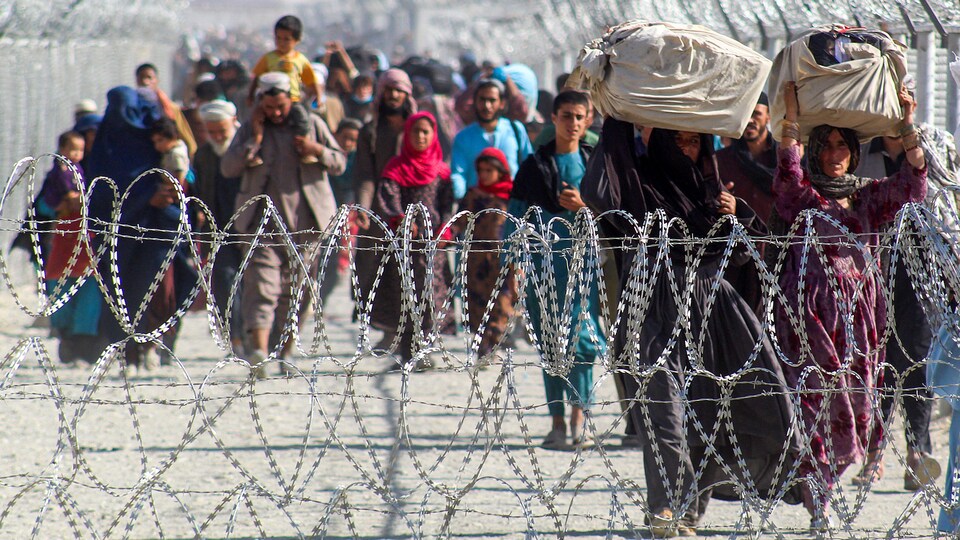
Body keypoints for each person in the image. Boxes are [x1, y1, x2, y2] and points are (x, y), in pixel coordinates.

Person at [581, 120, 799, 537]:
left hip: (713, 310)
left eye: (694, 140)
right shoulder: (640, 188)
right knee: (663, 411)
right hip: (653, 306)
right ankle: (664, 507)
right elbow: (601, 189)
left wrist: (739, 215)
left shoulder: (713, 195)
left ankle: (690, 511)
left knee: (712, 412)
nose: (685, 148)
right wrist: (617, 118)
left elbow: (747, 254)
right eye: (676, 139)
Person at [774, 81, 927, 531]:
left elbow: (915, 183)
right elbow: (786, 175)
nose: (837, 153)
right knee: (816, 403)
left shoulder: (867, 197)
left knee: (858, 408)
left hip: (861, 317)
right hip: (811, 317)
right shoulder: (804, 198)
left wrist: (906, 124)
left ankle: (823, 483)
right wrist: (792, 117)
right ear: (816, 149)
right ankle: (818, 496)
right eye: (829, 145)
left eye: (844, 144)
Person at [222, 73, 346, 378]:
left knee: (298, 291)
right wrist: (256, 140)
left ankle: (285, 351)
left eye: (281, 106)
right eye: (270, 107)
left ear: (292, 100)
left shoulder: (312, 125)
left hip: (306, 225)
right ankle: (259, 353)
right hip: (262, 224)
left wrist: (315, 151)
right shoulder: (252, 129)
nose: (276, 113)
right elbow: (229, 167)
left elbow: (339, 161)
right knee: (262, 287)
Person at [503, 90, 604, 450]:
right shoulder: (534, 166)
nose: (573, 123)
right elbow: (515, 216)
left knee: (582, 343)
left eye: (579, 117)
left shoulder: (595, 164)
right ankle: (557, 422)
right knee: (549, 344)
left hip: (583, 268)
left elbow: (612, 216)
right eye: (566, 116)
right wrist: (511, 263)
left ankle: (581, 417)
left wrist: (584, 206)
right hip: (542, 268)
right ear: (554, 118)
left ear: (589, 119)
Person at [87, 86, 199, 377]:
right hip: (116, 232)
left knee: (154, 289)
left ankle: (151, 344)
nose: (126, 120)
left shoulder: (156, 141)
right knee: (118, 290)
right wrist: (143, 196)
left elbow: (174, 179)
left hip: (157, 229)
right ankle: (123, 350)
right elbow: (101, 189)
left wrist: (161, 195)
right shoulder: (106, 145)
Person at [852, 132, 942, 490]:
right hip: (872, 269)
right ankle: (875, 453)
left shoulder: (927, 151)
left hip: (919, 271)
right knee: (880, 361)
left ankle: (917, 451)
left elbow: (939, 202)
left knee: (917, 360)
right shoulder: (861, 154)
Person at [354, 111, 455, 369]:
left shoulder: (441, 171)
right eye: (415, 132)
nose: (420, 137)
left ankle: (425, 348)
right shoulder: (396, 168)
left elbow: (446, 204)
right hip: (404, 247)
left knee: (430, 295)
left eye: (425, 132)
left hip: (432, 247)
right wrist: (401, 221)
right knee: (406, 295)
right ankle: (408, 351)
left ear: (433, 136)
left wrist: (444, 229)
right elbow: (389, 198)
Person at [449, 148, 516, 361]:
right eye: (481, 170)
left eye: (490, 170)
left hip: (503, 259)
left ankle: (494, 341)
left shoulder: (510, 197)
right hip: (476, 258)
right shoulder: (473, 196)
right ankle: (482, 346)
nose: (485, 174)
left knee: (502, 302)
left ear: (500, 171)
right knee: (478, 303)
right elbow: (459, 222)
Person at [41, 131, 103, 364]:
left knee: (88, 287)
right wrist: (65, 204)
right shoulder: (60, 173)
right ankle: (66, 336)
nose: (77, 154)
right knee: (59, 283)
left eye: (80, 150)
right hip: (63, 237)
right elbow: (48, 204)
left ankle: (84, 341)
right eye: (73, 149)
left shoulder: (82, 171)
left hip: (84, 238)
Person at [715, 92, 777, 312]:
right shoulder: (721, 161)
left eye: (757, 114)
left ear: (768, 117)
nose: (751, 119)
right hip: (736, 259)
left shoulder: (782, 162)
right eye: (747, 113)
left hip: (774, 256)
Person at [192, 100, 244, 353]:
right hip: (218, 229)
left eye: (221, 131)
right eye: (211, 132)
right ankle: (234, 335)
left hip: (249, 226)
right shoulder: (203, 155)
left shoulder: (245, 149)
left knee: (252, 282)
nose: (217, 136)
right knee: (225, 279)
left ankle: (252, 335)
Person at [450, 79, 534, 199]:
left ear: (502, 103)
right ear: (475, 102)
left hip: (511, 207)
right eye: (482, 100)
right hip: (477, 208)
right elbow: (459, 174)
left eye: (492, 100)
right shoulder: (463, 138)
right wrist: (461, 199)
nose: (487, 106)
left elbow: (529, 166)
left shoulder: (515, 130)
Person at [150, 118, 190, 186]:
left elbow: (180, 176)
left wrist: (175, 192)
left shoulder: (176, 154)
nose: (157, 146)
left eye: (160, 140)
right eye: (155, 142)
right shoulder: (169, 152)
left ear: (172, 137)